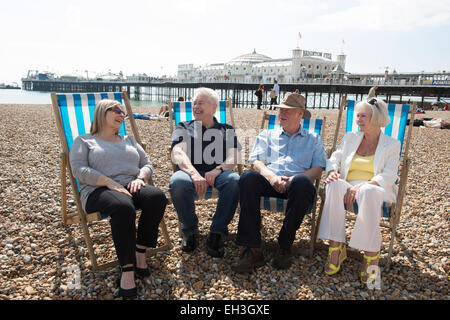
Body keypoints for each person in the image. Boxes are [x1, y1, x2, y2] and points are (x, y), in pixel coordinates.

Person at [69, 99, 167, 298]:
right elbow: (78, 169)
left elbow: (147, 163)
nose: (121, 114)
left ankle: (140, 252)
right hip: (97, 189)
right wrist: (107, 181)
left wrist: (141, 177)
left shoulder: (129, 140)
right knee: (124, 207)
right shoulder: (84, 140)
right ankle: (127, 269)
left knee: (157, 197)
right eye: (116, 110)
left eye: (123, 112)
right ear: (101, 113)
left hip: (131, 183)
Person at [232, 92, 327, 273]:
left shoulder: (313, 139)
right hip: (270, 181)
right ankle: (253, 249)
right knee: (247, 178)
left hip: (296, 186)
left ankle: (284, 245)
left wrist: (294, 179)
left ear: (300, 114)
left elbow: (318, 168)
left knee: (302, 183)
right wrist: (271, 177)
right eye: (280, 110)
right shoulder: (267, 134)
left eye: (287, 111)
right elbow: (256, 161)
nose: (281, 113)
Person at [317, 97, 400, 285]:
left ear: (377, 118)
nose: (358, 120)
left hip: (378, 188)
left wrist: (364, 185)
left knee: (368, 192)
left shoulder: (392, 144)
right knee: (334, 185)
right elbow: (334, 158)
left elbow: (389, 175)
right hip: (350, 184)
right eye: (357, 116)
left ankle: (371, 255)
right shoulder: (350, 137)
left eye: (364, 116)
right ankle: (336, 248)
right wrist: (331, 171)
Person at [169, 87, 241, 258]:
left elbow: (235, 156)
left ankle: (217, 232)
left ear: (214, 107)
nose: (195, 106)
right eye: (194, 103)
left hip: (218, 174)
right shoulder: (183, 126)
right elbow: (177, 153)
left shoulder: (227, 129)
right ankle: (189, 230)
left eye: (200, 103)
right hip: (189, 172)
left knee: (235, 180)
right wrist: (194, 174)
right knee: (177, 183)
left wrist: (218, 170)